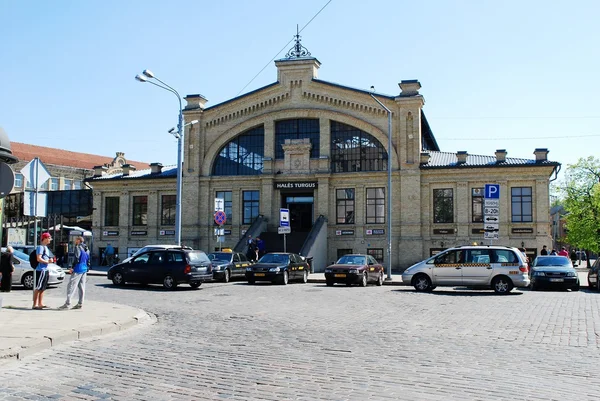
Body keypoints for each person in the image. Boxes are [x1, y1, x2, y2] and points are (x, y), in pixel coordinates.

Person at [59, 236, 89, 310]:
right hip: (84, 268)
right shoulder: (86, 248)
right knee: (82, 287)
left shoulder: (78, 247)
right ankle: (80, 303)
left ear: (78, 240)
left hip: (78, 268)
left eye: (76, 240)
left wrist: (72, 267)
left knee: (71, 285)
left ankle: (67, 303)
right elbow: (88, 259)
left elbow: (77, 257)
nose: (75, 241)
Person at [33, 232, 52, 310]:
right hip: (41, 270)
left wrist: (49, 260)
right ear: (45, 238)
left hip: (45, 270)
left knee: (43, 288)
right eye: (49, 238)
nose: (50, 240)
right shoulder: (40, 247)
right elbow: (39, 258)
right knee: (38, 287)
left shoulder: (46, 248)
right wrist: (47, 261)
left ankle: (40, 303)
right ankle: (35, 304)